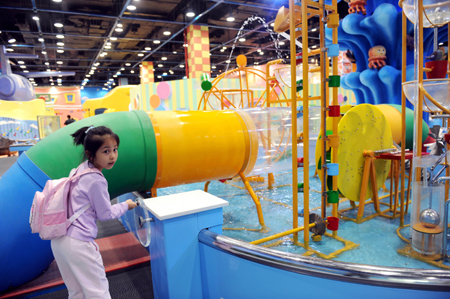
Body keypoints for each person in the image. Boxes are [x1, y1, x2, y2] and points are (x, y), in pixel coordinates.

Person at [50, 125, 137, 299]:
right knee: (98, 293)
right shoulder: (96, 179)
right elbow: (105, 214)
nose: (112, 156)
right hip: (78, 243)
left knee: (77, 293)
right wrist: (126, 205)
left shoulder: (80, 169)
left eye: (115, 149)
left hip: (60, 240)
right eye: (106, 151)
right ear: (91, 154)